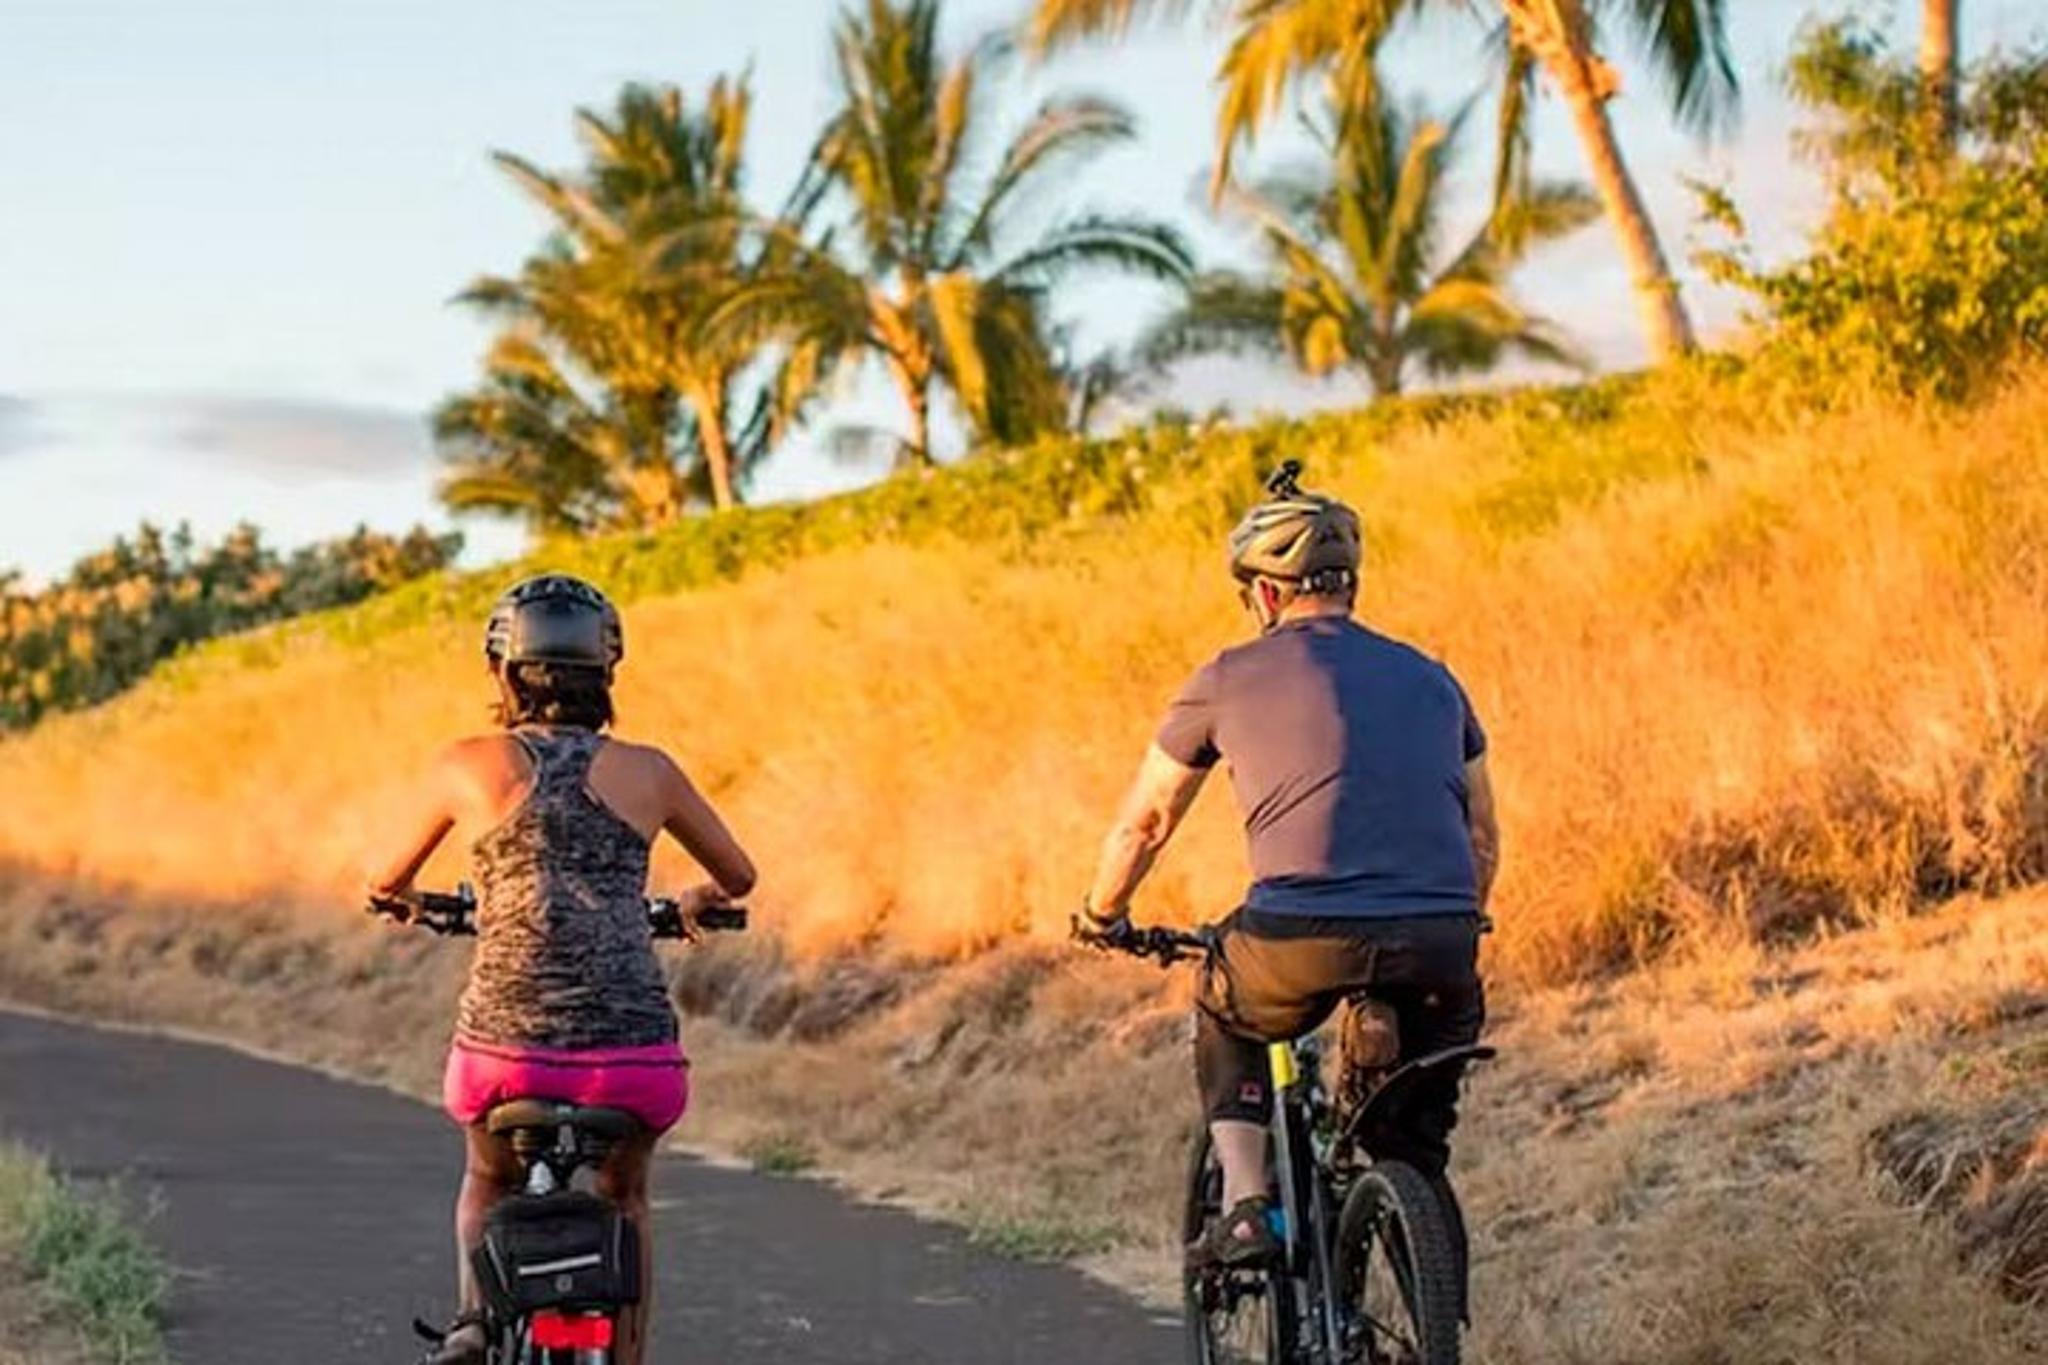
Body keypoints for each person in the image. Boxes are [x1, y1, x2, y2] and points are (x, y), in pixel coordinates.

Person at [1079, 461, 1498, 1275]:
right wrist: (1454, 918)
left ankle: (1244, 1205)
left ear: (1266, 593)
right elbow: (1481, 833)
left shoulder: (1226, 675)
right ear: (1348, 581)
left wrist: (1102, 914)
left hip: (1295, 937)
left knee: (1225, 1006)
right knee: (1410, 1146)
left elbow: (1148, 819)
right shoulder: (1435, 678)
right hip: (1442, 939)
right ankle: (1426, 1282)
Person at [363, 574, 756, 1365]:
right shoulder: (652, 771)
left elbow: (383, 879)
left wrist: (414, 902)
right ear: (608, 672)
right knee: (628, 1196)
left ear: (502, 671)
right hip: (633, 1058)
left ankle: (474, 1321)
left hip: (505, 1054)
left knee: (485, 1178)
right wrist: (690, 899)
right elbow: (739, 875)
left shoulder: (466, 763)